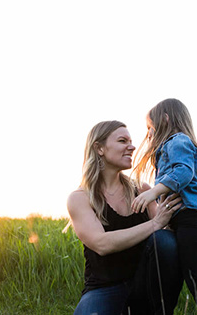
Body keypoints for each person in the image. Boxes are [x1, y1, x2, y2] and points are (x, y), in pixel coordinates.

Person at [67, 120, 184, 315]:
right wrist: (155, 223)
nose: (132, 146)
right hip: (104, 288)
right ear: (99, 148)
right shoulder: (80, 198)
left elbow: (166, 241)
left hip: (144, 286)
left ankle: (159, 310)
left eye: (131, 141)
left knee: (164, 240)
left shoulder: (144, 191)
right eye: (122, 141)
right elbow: (102, 244)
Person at [132, 98, 197, 314]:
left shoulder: (177, 141)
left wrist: (153, 193)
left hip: (192, 220)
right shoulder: (173, 145)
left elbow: (183, 172)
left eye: (150, 126)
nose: (149, 133)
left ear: (165, 118)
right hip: (189, 221)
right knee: (196, 281)